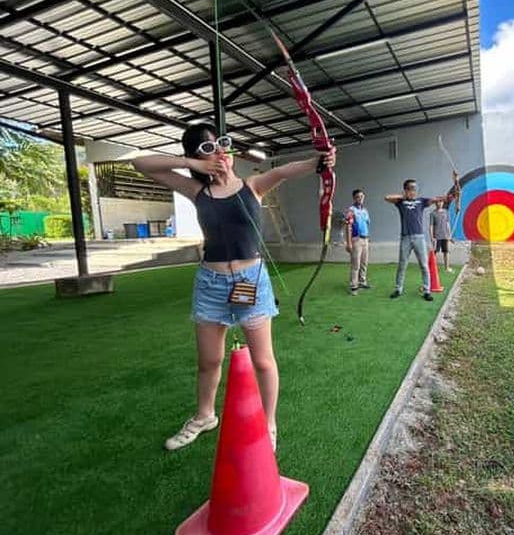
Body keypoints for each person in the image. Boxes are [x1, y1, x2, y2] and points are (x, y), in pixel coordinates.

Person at [132, 122, 335, 451]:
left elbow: (283, 171)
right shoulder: (197, 191)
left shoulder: (252, 185)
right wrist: (190, 165)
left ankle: (268, 424)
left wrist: (319, 163)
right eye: (207, 149)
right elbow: (139, 164)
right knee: (209, 360)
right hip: (210, 284)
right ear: (197, 157)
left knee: (264, 361)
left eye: (221, 145)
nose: (219, 153)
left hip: (249, 280)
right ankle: (204, 415)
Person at [384, 174, 457, 301]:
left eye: (415, 188)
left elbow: (440, 199)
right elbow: (387, 197)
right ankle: (398, 289)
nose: (414, 191)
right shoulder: (401, 202)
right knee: (402, 265)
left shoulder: (421, 201)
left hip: (419, 237)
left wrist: (454, 190)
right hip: (405, 238)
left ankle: (427, 291)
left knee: (424, 265)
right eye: (411, 188)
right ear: (406, 190)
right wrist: (403, 196)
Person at [344, 189, 370, 295]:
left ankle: (362, 281)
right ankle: (353, 286)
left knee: (364, 262)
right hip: (356, 239)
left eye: (362, 197)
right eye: (358, 197)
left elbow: (367, 224)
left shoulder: (365, 211)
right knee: (356, 264)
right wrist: (349, 243)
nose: (360, 199)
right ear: (354, 198)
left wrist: (368, 238)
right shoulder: (351, 210)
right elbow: (348, 226)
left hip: (365, 239)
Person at [429, 200, 454, 272]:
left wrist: (449, 235)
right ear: (435, 203)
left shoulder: (446, 212)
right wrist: (432, 237)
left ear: (443, 203)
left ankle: (447, 268)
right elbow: (431, 226)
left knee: (446, 252)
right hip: (437, 237)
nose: (439, 203)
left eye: (441, 202)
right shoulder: (433, 213)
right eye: (438, 202)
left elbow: (448, 224)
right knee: (434, 252)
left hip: (445, 236)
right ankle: (432, 269)